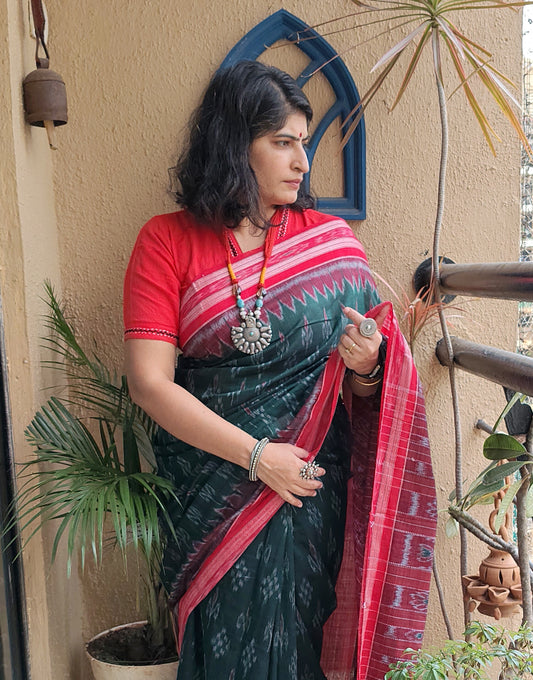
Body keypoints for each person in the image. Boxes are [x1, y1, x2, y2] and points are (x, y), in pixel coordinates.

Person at [123, 60, 436, 680]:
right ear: (234, 146)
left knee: (300, 646)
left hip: (310, 490)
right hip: (216, 494)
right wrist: (258, 457)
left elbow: (362, 386)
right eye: (283, 143)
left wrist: (367, 364)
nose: (302, 162)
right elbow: (149, 384)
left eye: (305, 143)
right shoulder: (166, 242)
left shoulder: (331, 243)